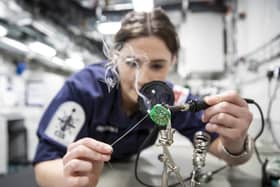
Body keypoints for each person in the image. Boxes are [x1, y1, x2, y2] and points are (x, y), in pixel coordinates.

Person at [33, 8, 254, 187]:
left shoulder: (172, 99)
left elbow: (229, 154)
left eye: (157, 65)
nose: (143, 79)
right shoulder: (83, 90)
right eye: (132, 63)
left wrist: (235, 142)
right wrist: (72, 179)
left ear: (173, 61)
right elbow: (43, 166)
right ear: (115, 57)